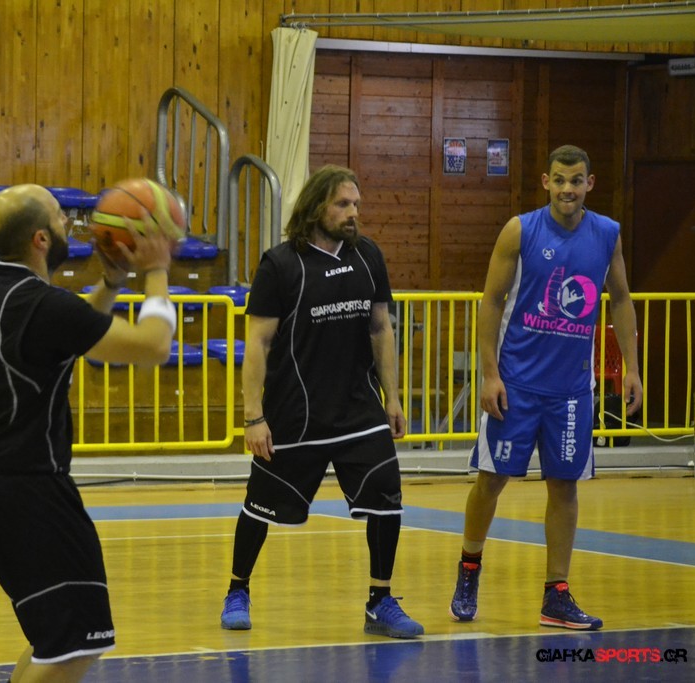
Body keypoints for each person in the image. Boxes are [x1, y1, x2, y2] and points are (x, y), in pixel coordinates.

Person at [0, 184, 178, 682]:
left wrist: (112, 283)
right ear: (40, 239)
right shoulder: (41, 304)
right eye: (60, 218)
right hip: (24, 487)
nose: (70, 226)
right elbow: (154, 346)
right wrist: (157, 269)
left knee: (55, 643)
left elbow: (72, 334)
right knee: (75, 646)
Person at [219, 165, 424, 639]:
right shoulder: (280, 264)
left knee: (386, 495)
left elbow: (381, 328)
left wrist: (393, 397)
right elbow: (258, 343)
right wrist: (254, 416)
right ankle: (237, 588)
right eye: (342, 204)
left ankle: (380, 601)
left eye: (356, 204)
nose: (353, 213)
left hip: (358, 409)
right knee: (259, 507)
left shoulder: (368, 256)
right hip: (296, 413)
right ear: (316, 208)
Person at [449, 145, 643, 631]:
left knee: (564, 486)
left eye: (576, 181)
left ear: (589, 184)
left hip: (571, 390)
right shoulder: (520, 230)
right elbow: (492, 300)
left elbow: (621, 299)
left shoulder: (607, 234)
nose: (567, 189)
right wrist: (490, 374)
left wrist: (632, 369)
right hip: (516, 384)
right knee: (491, 480)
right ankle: (469, 568)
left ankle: (556, 594)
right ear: (545, 181)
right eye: (559, 180)